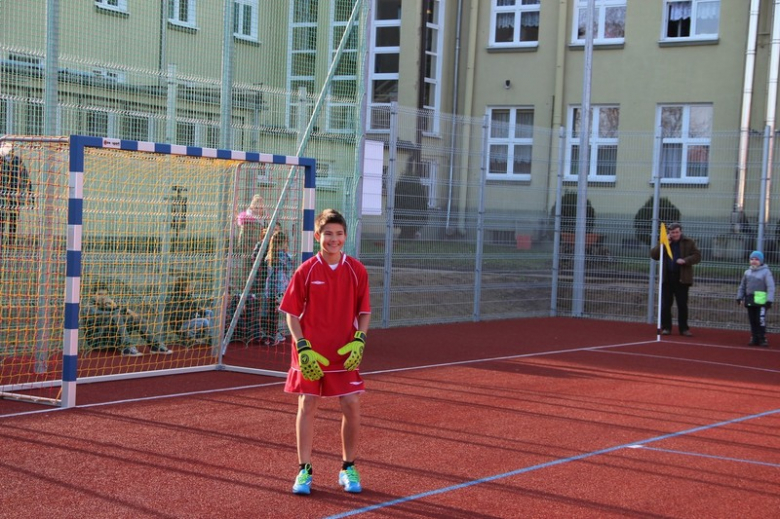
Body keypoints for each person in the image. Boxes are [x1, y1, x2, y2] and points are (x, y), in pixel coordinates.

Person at [279, 209, 371, 495]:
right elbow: (291, 314)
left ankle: (348, 467)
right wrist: (302, 344)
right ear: (318, 236)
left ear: (345, 236)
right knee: (308, 404)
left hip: (344, 352)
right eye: (328, 234)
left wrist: (360, 340)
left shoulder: (357, 270)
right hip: (310, 352)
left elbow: (364, 312)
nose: (334, 239)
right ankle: (304, 470)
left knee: (351, 404)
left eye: (339, 234)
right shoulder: (305, 271)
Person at [81, 284, 172, 356]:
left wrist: (121, 309)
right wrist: (122, 309)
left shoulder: (107, 306)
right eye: (100, 294)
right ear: (92, 295)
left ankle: (155, 346)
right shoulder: (89, 307)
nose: (103, 297)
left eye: (105, 294)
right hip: (98, 341)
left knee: (136, 319)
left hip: (112, 338)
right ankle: (127, 348)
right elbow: (104, 315)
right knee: (117, 316)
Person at [650, 222, 701, 336]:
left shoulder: (689, 242)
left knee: (682, 304)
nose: (675, 234)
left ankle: (684, 329)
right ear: (669, 233)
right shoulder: (664, 241)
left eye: (677, 232)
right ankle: (666, 327)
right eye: (672, 233)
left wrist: (685, 260)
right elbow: (654, 255)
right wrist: (663, 244)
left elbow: (697, 256)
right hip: (667, 278)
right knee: (666, 304)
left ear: (680, 232)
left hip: (682, 278)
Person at [737, 250, 775, 347]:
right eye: (752, 259)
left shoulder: (766, 272)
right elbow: (742, 286)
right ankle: (754, 337)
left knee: (760, 319)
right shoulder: (747, 272)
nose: (754, 261)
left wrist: (769, 300)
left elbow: (771, 287)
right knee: (752, 319)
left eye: (756, 259)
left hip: (761, 300)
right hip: (750, 299)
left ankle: (762, 337)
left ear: (761, 261)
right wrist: (739, 297)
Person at [262, 230, 294, 345]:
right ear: (283, 243)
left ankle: (270, 335)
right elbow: (290, 267)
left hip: (270, 288)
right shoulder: (284, 256)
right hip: (279, 288)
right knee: (277, 312)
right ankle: (274, 336)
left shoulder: (269, 255)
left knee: (271, 312)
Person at [0, 142, 33, 247]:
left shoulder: (18, 161)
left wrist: (30, 194)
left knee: (13, 217)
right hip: (2, 193)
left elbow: (25, 177)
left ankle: (11, 241)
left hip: (14, 193)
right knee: (2, 217)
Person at [165, 276, 213, 345]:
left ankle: (210, 337)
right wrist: (195, 313)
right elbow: (179, 315)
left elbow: (196, 308)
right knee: (204, 321)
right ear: (184, 287)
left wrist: (203, 311)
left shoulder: (188, 296)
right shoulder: (175, 297)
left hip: (190, 320)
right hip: (180, 324)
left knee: (209, 312)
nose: (191, 287)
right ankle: (188, 337)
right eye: (189, 285)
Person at [234, 194, 268, 289]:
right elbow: (241, 240)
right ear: (252, 208)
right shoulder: (247, 222)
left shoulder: (264, 222)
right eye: (256, 207)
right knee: (248, 278)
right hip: (249, 254)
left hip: (261, 255)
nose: (258, 210)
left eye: (260, 208)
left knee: (260, 278)